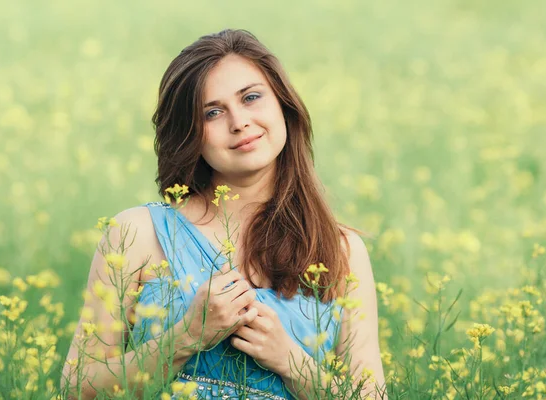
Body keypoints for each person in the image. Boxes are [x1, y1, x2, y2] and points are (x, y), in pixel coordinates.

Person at [61, 29, 387, 400]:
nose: (239, 122)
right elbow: (77, 389)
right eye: (213, 112)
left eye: (251, 97)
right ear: (190, 134)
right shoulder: (135, 235)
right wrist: (186, 336)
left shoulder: (341, 249)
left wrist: (291, 361)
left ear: (283, 104)